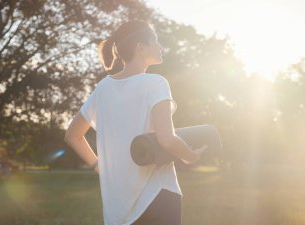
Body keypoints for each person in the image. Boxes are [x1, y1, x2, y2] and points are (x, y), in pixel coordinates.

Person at [64, 19, 206, 225]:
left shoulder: (102, 89)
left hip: (118, 208)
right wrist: (191, 156)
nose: (161, 46)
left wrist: (97, 165)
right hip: (158, 196)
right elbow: (167, 139)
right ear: (140, 47)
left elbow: (72, 135)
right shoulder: (156, 83)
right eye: (155, 40)